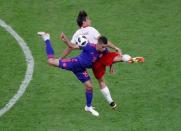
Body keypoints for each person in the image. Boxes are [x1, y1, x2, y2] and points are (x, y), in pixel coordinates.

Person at [37, 31, 111, 117]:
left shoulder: (104, 51)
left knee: (89, 86)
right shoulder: (89, 46)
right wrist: (66, 41)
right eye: (103, 47)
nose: (104, 49)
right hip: (73, 63)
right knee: (50, 61)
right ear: (98, 44)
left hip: (81, 70)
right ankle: (46, 38)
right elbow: (72, 46)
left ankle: (88, 107)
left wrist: (111, 67)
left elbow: (109, 58)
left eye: (105, 47)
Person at [61, 10, 121, 109]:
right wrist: (115, 47)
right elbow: (103, 42)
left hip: (87, 61)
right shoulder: (91, 29)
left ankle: (110, 102)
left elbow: (70, 47)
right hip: (98, 58)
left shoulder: (77, 34)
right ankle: (110, 101)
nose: (90, 20)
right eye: (88, 19)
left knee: (97, 80)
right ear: (84, 22)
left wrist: (60, 59)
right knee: (103, 77)